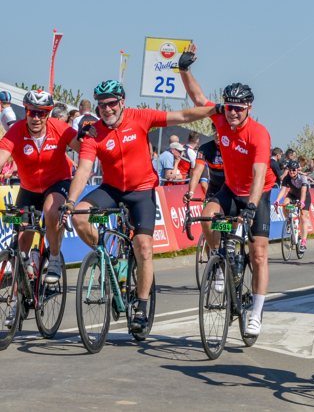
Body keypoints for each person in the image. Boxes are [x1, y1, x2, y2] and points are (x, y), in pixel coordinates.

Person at [61, 80, 217, 334]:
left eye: (112, 103)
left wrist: (215, 110)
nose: (107, 109)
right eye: (102, 105)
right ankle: (109, 262)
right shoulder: (92, 132)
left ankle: (142, 307)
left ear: (122, 101)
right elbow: (84, 170)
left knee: (144, 247)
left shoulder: (140, 117)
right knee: (80, 218)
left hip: (142, 190)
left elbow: (183, 115)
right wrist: (70, 202)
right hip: (111, 189)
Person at [179, 43, 276, 337]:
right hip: (231, 189)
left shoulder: (259, 134)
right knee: (207, 217)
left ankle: (256, 313)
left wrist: (250, 207)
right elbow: (198, 99)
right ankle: (219, 263)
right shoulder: (220, 117)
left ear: (249, 109)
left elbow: (260, 174)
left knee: (258, 255)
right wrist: (184, 68)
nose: (232, 113)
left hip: (257, 192)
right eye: (229, 107)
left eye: (239, 109)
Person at [0, 89, 83, 327]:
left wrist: (89, 137)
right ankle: (17, 299)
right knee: (22, 240)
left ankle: (54, 258)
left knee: (51, 211)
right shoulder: (16, 131)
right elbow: (2, 155)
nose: (36, 118)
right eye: (31, 112)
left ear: (48, 114)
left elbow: (85, 150)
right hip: (28, 188)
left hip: (57, 183)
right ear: (25, 112)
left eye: (41, 113)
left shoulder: (59, 127)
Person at [273, 160, 311, 251]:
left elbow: (303, 191)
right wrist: (277, 200)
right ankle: (289, 222)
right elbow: (283, 190)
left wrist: (302, 202)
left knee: (303, 218)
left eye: (293, 170)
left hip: (304, 196)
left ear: (297, 170)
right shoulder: (287, 178)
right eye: (290, 170)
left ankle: (303, 242)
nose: (292, 172)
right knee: (285, 204)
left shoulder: (303, 177)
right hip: (292, 195)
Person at [184, 123, 224, 200]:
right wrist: (191, 192)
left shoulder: (234, 146)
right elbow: (197, 171)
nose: (218, 135)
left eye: (220, 132)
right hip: (214, 187)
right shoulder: (205, 148)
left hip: (231, 188)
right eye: (215, 132)